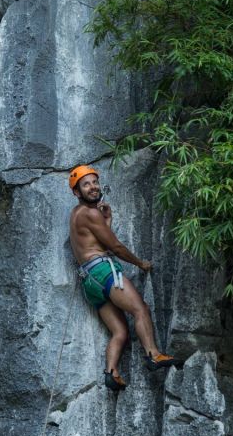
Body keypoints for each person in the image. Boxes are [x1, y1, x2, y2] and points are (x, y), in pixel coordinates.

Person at [67, 164, 177, 391]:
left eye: (95, 182)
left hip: (90, 281)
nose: (93, 187)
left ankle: (111, 372)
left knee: (120, 332)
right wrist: (140, 263)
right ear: (77, 192)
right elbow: (115, 246)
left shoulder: (77, 213)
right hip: (104, 272)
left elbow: (96, 242)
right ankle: (153, 354)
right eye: (86, 184)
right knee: (140, 309)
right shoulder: (90, 213)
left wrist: (106, 222)